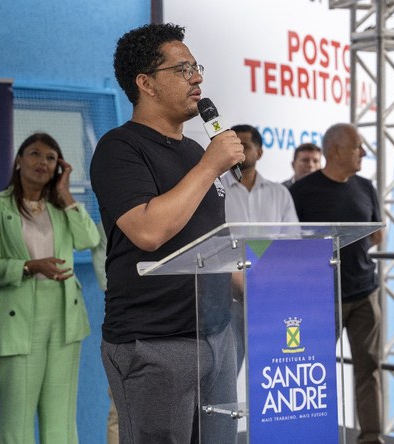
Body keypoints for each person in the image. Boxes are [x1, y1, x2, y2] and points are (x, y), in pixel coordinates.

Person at [90, 23, 245, 444]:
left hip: (216, 333)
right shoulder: (120, 148)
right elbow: (148, 231)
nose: (197, 77)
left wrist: (260, 286)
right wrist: (210, 166)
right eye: (182, 69)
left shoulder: (196, 153)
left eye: (196, 67)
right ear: (146, 84)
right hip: (154, 342)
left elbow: (211, 243)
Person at [0, 132, 100, 443]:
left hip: (63, 318)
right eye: (34, 154)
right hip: (17, 321)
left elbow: (89, 241)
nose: (42, 162)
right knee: (16, 421)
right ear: (18, 160)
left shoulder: (60, 208)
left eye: (50, 157)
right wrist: (30, 267)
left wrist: (67, 195)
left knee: (61, 419)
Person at [289, 123, 384, 444]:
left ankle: (371, 438)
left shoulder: (366, 186)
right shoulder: (300, 192)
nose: (364, 152)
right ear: (335, 151)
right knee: (314, 373)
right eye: (358, 146)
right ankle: (313, 435)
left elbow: (376, 235)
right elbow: (288, 243)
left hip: (365, 294)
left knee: (369, 370)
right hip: (320, 300)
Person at [224, 124, 298, 370]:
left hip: (271, 298)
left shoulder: (279, 194)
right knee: (227, 373)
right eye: (234, 144)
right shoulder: (214, 191)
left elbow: (291, 244)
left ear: (260, 152)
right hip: (227, 299)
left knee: (273, 372)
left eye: (244, 145)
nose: (239, 150)